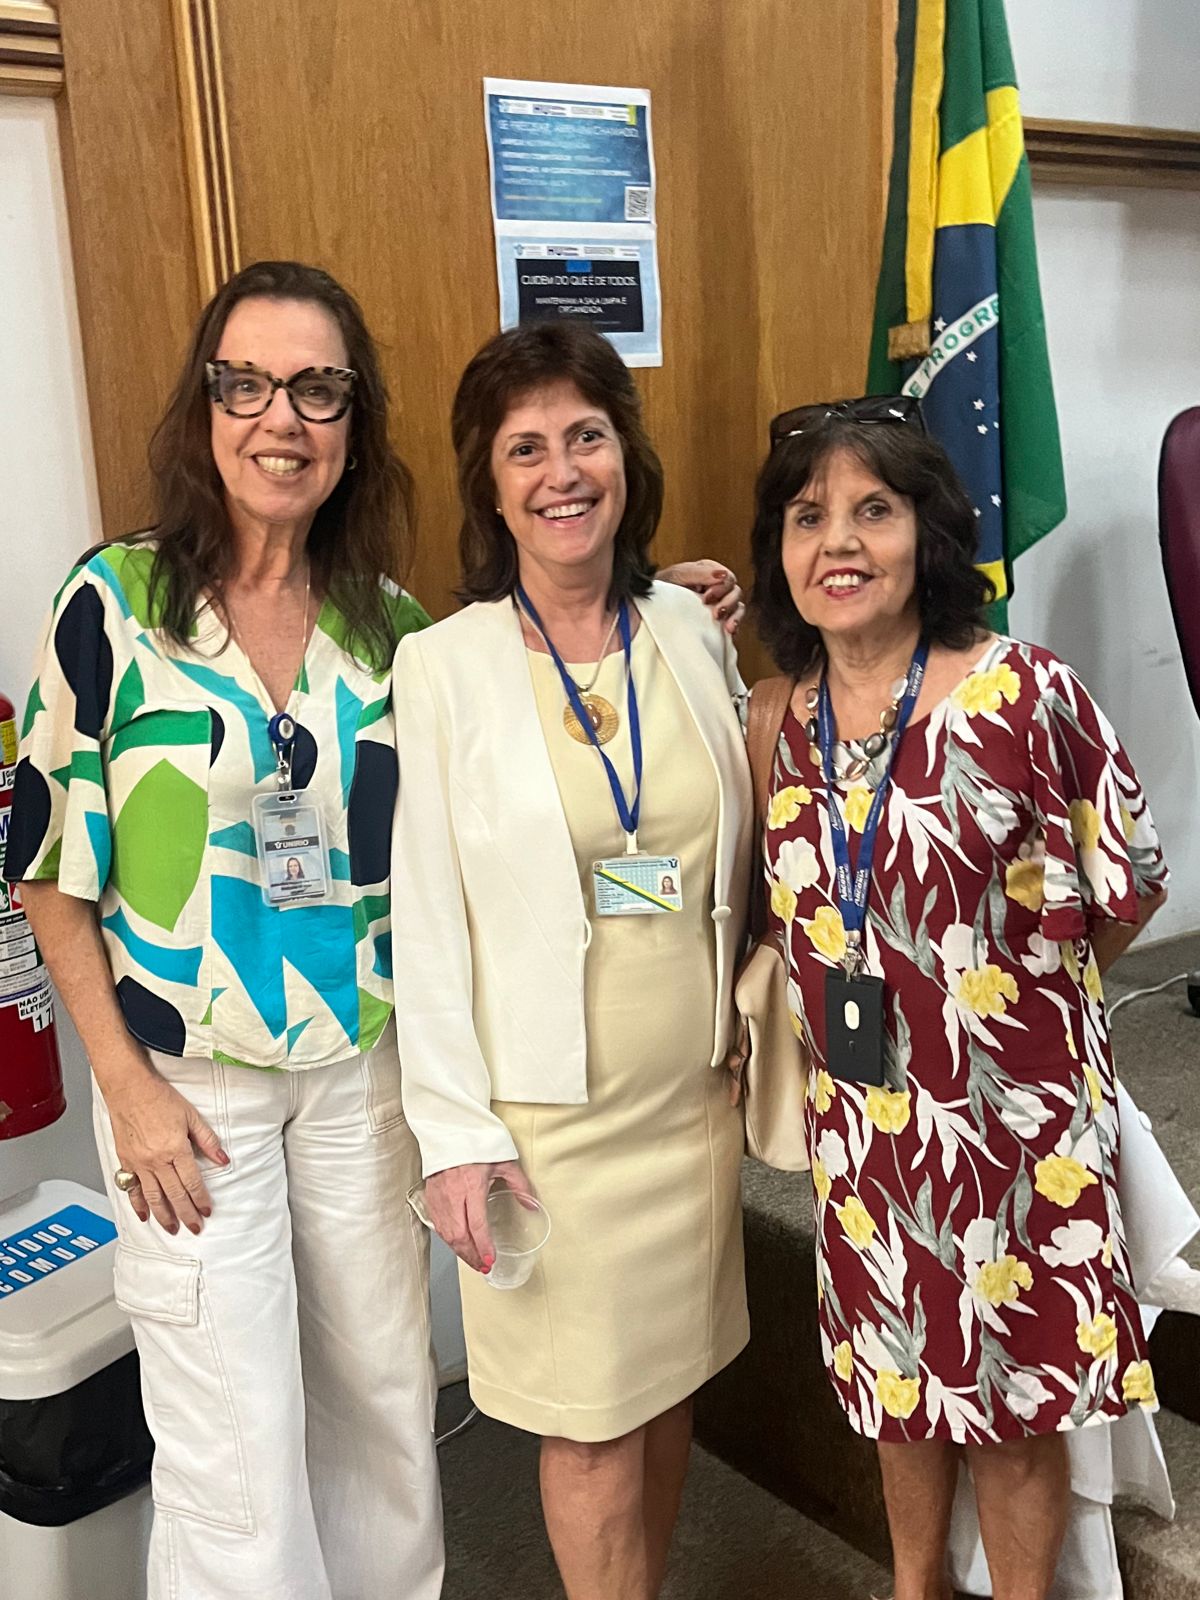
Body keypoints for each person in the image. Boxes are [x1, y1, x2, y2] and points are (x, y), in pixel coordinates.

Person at [2, 259, 743, 1600]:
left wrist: (655, 608)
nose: (280, 419)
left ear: (355, 422)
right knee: (234, 1446)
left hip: (363, 1071)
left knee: (387, 1418)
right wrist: (124, 1085)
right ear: (205, 405)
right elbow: (49, 868)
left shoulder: (390, 631)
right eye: (247, 384)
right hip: (190, 1089)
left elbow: (521, 739)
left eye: (318, 389)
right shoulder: (115, 602)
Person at [749, 396, 1168, 1600]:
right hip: (867, 1126)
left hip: (1017, 1121)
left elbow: (1129, 881)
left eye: (873, 510)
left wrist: (1017, 997)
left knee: (1019, 1394)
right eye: (808, 515)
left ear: (927, 533)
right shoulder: (778, 719)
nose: (839, 541)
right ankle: (916, 1583)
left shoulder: (1024, 693)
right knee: (897, 1386)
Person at [390, 321, 753, 1600]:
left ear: (625, 457)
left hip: (688, 1100)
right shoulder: (443, 666)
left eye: (586, 436)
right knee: (588, 1429)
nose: (562, 471)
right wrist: (452, 1134)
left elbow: (726, 845)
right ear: (490, 486)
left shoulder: (689, 627)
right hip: (548, 1126)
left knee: (664, 1393)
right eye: (526, 448)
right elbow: (426, 914)